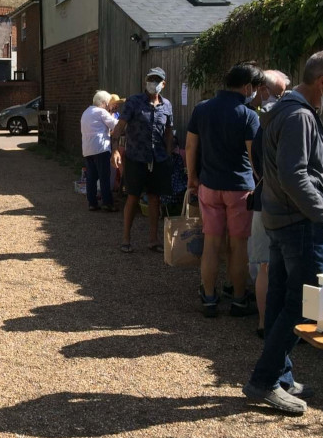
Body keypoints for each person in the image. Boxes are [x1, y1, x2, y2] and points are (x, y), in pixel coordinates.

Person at [243, 50, 323, 415]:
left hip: (282, 219)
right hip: (300, 224)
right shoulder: (298, 116)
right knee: (303, 305)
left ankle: (281, 377)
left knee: (280, 301)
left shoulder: (283, 110)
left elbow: (270, 166)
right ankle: (265, 381)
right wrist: (322, 213)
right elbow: (294, 175)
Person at [186, 63, 264, 318]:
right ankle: (239, 299)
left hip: (209, 185)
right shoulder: (248, 115)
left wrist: (192, 176)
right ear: (248, 87)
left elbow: (190, 146)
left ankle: (209, 297)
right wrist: (262, 182)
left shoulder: (202, 108)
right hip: (240, 188)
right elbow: (254, 155)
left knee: (211, 243)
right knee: (238, 245)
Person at [247, 69, 291, 337]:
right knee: (282, 265)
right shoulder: (290, 123)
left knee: (264, 265)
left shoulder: (261, 126)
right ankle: (279, 322)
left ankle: (264, 322)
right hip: (284, 204)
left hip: (263, 199)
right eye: (281, 93)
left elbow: (255, 164)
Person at [112, 67, 175, 253]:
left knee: (155, 198)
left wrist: (169, 154)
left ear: (163, 84)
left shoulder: (167, 105)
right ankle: (126, 239)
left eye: (157, 80)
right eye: (150, 79)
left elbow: (169, 131)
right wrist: (114, 150)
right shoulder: (134, 102)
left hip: (158, 159)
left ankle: (153, 240)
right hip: (136, 158)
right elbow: (119, 127)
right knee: (133, 197)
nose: (153, 83)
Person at [80, 90, 119, 212]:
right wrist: (116, 116)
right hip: (100, 148)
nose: (108, 106)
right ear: (103, 102)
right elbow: (116, 125)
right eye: (108, 103)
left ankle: (92, 203)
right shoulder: (101, 112)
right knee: (104, 176)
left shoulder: (86, 112)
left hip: (87, 149)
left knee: (91, 177)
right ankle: (107, 203)